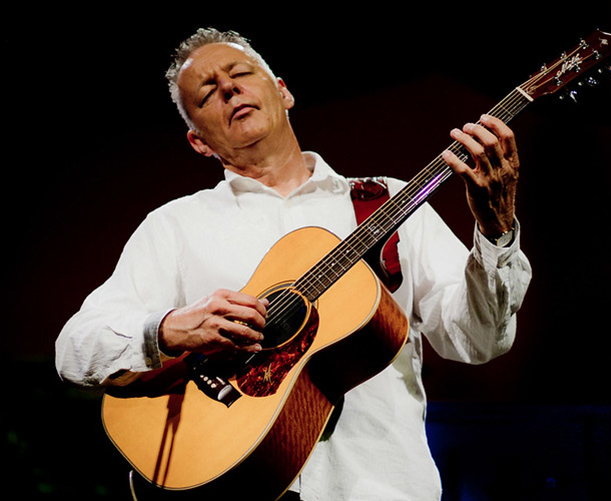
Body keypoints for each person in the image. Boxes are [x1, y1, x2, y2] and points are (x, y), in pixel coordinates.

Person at [55, 27, 532, 500]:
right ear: (198, 141)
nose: (227, 88)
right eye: (206, 93)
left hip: (379, 486)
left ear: (283, 92)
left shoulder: (386, 201)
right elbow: (74, 349)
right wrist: (169, 329)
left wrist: (496, 234)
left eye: (240, 72)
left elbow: (480, 340)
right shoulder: (175, 226)